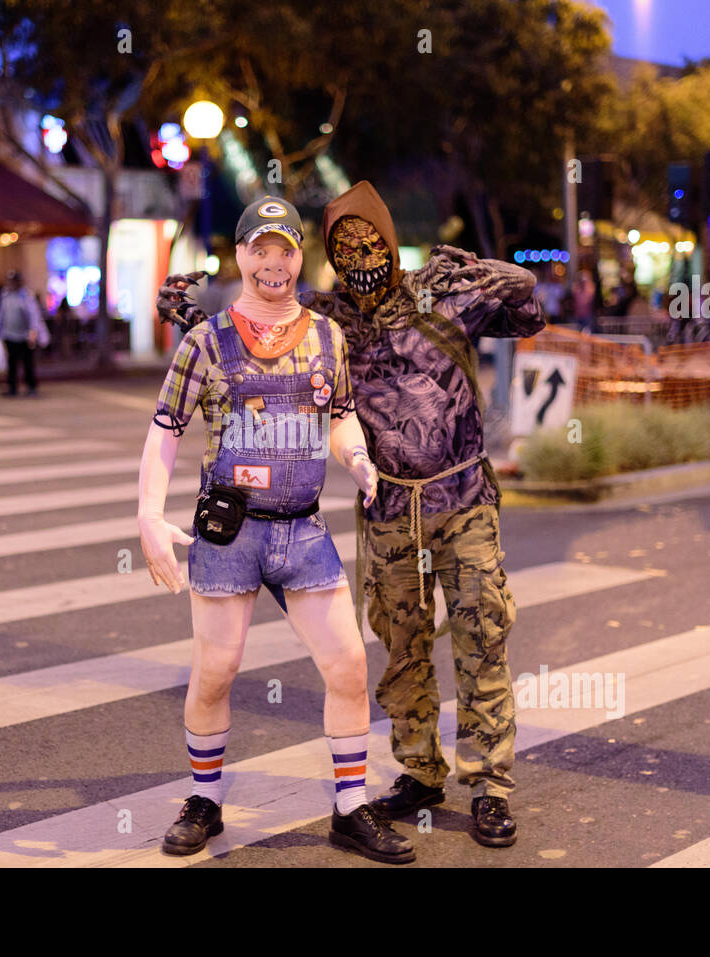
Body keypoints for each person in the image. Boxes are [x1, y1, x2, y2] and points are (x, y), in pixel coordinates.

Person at [160, 181, 543, 851]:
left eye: (372, 240)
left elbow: (530, 313)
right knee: (401, 644)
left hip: (463, 502)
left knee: (483, 633)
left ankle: (488, 784)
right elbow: (256, 338)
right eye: (345, 244)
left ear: (391, 241)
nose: (361, 252)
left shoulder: (438, 290)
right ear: (331, 255)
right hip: (390, 507)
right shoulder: (326, 311)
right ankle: (421, 770)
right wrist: (189, 314)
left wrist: (509, 275)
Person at [140, 196, 414, 864]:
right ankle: (205, 799)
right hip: (229, 532)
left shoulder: (327, 336)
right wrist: (148, 514)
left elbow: (342, 413)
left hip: (301, 530)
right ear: (239, 256)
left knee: (348, 663)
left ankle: (351, 807)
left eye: (284, 249)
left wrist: (357, 456)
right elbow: (164, 433)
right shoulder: (206, 341)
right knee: (216, 669)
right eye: (258, 249)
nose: (272, 263)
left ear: (300, 257)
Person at [0, 270, 43, 397]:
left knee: (28, 362)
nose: (12, 283)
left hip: (24, 335)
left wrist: (33, 331)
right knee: (12, 362)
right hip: (9, 334)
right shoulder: (5, 294)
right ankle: (12, 387)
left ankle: (31, 387)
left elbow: (33, 314)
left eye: (14, 281)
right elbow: (0, 312)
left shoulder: (26, 295)